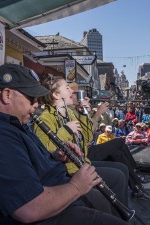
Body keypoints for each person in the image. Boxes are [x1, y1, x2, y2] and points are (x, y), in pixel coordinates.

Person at [0, 64, 128, 225]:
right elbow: (29, 209)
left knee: (104, 196)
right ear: (7, 95)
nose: (36, 104)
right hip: (40, 214)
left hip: (51, 194)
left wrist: (55, 156)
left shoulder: (9, 123)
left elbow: (22, 162)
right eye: (31, 98)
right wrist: (76, 187)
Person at [33, 77, 130, 213]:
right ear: (56, 95)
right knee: (118, 177)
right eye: (67, 87)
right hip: (68, 172)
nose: (71, 90)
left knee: (121, 171)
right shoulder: (45, 118)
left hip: (83, 164)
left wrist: (84, 113)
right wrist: (66, 130)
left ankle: (120, 214)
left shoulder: (71, 113)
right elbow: (45, 150)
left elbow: (88, 138)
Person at [68, 82, 150, 201]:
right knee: (117, 145)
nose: (78, 96)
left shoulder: (75, 110)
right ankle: (137, 182)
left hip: (86, 148)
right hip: (84, 152)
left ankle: (137, 182)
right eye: (75, 93)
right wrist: (97, 112)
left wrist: (87, 111)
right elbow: (88, 135)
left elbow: (88, 130)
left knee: (119, 144)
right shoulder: (69, 112)